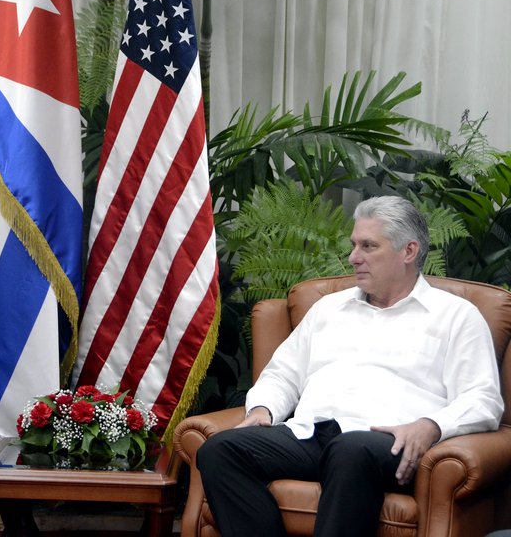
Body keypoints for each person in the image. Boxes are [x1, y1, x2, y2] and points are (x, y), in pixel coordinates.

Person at [196, 195, 504, 536]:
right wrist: (264, 410)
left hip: (388, 441)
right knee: (220, 451)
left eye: (368, 246)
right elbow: (283, 373)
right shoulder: (329, 308)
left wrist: (431, 425)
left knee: (351, 449)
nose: (353, 257)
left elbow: (483, 398)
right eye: (354, 245)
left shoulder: (455, 316)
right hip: (312, 434)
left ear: (409, 251)